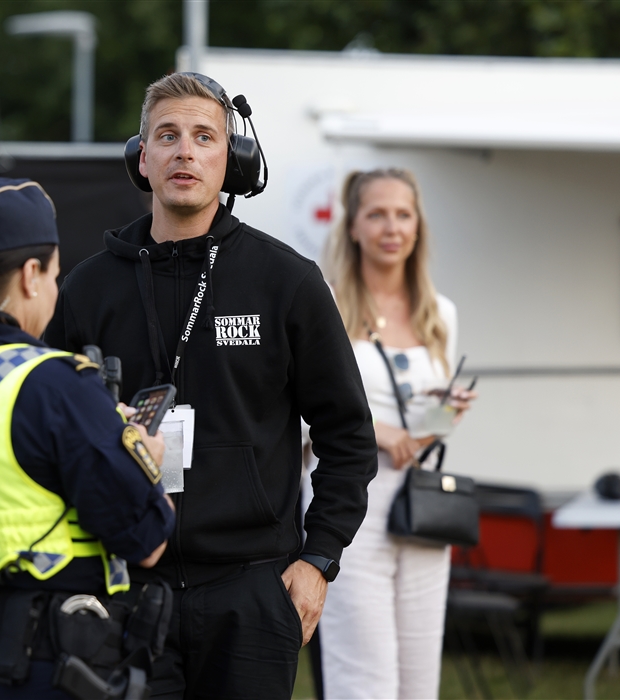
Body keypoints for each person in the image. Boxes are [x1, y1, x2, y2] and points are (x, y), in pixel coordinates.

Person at [43, 72, 377, 699]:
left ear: (233, 159)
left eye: (204, 136)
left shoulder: (287, 282)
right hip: (124, 589)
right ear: (142, 158)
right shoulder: (88, 288)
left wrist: (319, 560)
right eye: (166, 137)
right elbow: (49, 434)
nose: (185, 152)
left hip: (255, 590)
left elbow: (348, 436)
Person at [0, 178, 176, 698]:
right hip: (38, 662)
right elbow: (146, 540)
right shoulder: (54, 382)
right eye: (55, 275)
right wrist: (145, 459)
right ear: (30, 275)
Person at [315, 168, 477, 699]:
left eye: (403, 214)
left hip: (420, 496)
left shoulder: (441, 313)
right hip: (349, 494)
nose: (392, 227)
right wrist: (378, 432)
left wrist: (443, 417)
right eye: (377, 213)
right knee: (364, 672)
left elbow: (432, 418)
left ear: (418, 227)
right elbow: (297, 408)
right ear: (354, 226)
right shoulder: (326, 304)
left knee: (419, 670)